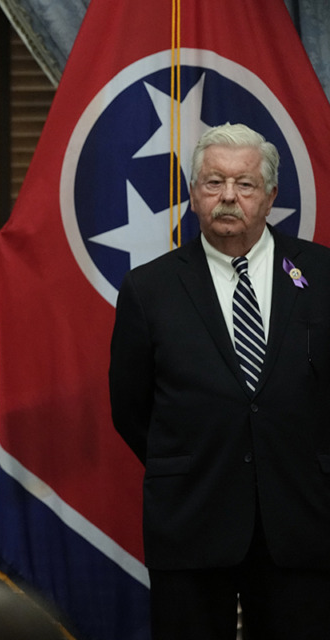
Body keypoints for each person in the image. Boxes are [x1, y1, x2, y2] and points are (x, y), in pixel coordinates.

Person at [109, 123, 330, 639]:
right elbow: (130, 408)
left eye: (245, 184)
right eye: (213, 183)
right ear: (192, 193)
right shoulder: (150, 288)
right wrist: (197, 459)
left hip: (303, 518)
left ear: (271, 195)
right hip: (191, 515)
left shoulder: (321, 275)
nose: (228, 197)